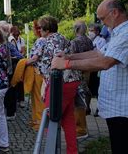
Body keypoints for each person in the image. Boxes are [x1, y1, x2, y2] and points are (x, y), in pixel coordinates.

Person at [52, 0, 128, 154]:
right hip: (118, 105)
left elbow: (105, 62)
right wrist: (70, 57)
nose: (102, 23)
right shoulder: (119, 32)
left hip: (124, 106)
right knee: (119, 148)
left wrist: (67, 65)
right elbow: (98, 53)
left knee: (123, 149)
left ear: (115, 13)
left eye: (103, 18)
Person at [38, 15, 80, 154]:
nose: (39, 30)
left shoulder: (51, 41)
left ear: (45, 29)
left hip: (59, 83)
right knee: (68, 120)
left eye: (40, 28)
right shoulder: (63, 38)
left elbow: (52, 63)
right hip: (72, 80)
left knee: (51, 117)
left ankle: (50, 150)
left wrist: (42, 71)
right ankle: (72, 151)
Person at [70, 20, 94, 139]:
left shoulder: (74, 42)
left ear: (76, 29)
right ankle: (88, 107)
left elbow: (72, 57)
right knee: (86, 90)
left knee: (79, 96)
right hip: (88, 69)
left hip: (78, 70)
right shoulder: (89, 40)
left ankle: (80, 125)